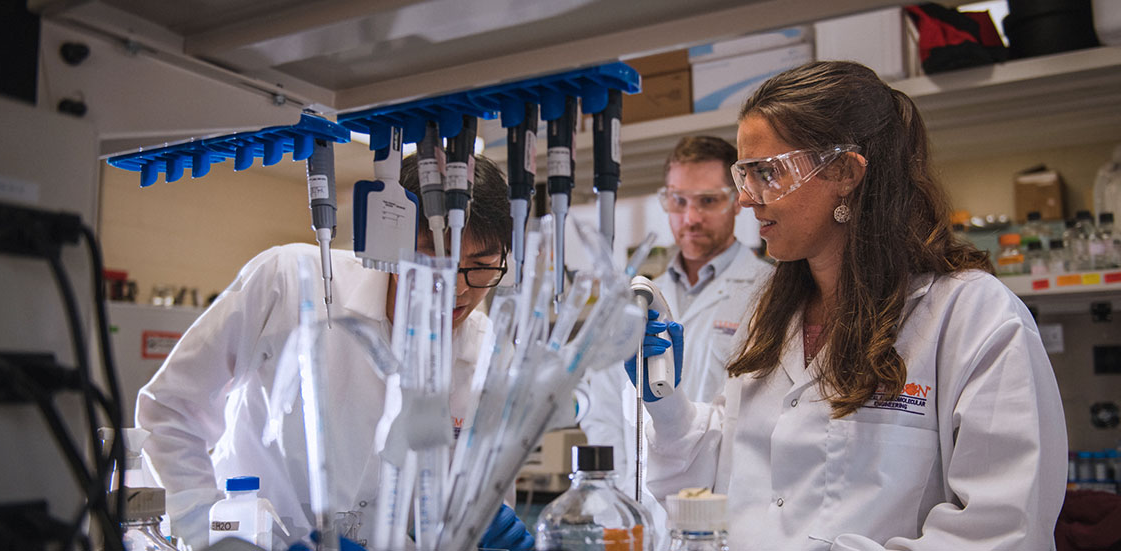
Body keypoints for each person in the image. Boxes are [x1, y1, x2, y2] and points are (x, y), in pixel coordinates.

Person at [633, 61, 1067, 550]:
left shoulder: (973, 317)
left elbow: (1004, 531)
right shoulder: (770, 316)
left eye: (767, 173)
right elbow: (730, 471)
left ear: (843, 171)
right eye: (744, 174)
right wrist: (665, 404)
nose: (747, 199)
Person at [136, 155, 532, 551]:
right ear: (391, 244)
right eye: (434, 262)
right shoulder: (288, 279)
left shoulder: (488, 358)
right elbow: (169, 410)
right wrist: (209, 535)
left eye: (481, 267)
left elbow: (475, 513)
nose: (457, 290)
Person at [579, 136, 773, 543]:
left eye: (707, 201)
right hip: (640, 517)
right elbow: (605, 408)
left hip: (726, 517)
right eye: (679, 202)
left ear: (738, 200)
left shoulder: (771, 292)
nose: (690, 218)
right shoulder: (636, 298)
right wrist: (613, 503)